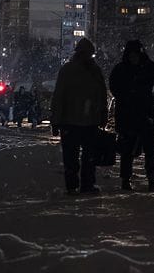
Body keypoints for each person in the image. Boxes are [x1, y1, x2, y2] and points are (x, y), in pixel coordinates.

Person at [50, 38, 108, 195]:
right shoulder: (94, 71)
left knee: (71, 156)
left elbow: (58, 96)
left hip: (70, 122)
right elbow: (101, 95)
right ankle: (86, 184)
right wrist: (102, 114)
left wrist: (56, 120)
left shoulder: (67, 70)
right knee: (88, 156)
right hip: (88, 122)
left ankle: (72, 186)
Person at [109, 39, 154, 192]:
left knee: (147, 150)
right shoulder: (128, 69)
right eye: (131, 55)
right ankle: (127, 180)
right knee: (128, 150)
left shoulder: (128, 69)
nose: (133, 58)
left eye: (135, 54)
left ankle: (151, 179)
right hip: (132, 114)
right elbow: (115, 89)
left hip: (141, 114)